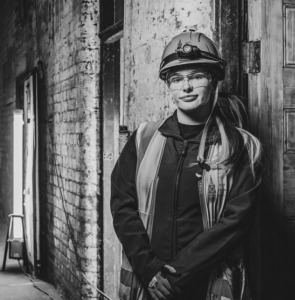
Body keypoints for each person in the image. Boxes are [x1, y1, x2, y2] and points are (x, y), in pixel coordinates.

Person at [110, 30, 262, 300]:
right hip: (149, 282)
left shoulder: (241, 147)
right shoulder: (144, 139)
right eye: (177, 79)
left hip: (205, 283)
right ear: (168, 85)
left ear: (214, 80)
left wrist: (175, 275)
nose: (186, 87)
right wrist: (150, 271)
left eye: (197, 77)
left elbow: (236, 221)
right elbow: (122, 206)